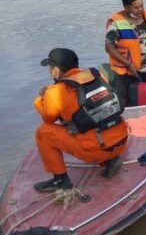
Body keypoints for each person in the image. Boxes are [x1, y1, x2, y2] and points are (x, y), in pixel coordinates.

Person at [34, 48, 129, 192]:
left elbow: (48, 119)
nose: (49, 71)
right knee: (91, 119)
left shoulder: (55, 92)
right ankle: (110, 160)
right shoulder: (96, 74)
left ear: (56, 71)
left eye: (50, 67)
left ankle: (60, 180)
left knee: (43, 132)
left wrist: (41, 98)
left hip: (94, 150)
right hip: (121, 141)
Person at [105, 0, 146, 107]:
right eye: (136, 7)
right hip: (130, 71)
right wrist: (128, 64)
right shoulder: (116, 24)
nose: (140, 10)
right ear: (126, 7)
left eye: (142, 6)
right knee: (130, 101)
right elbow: (109, 47)